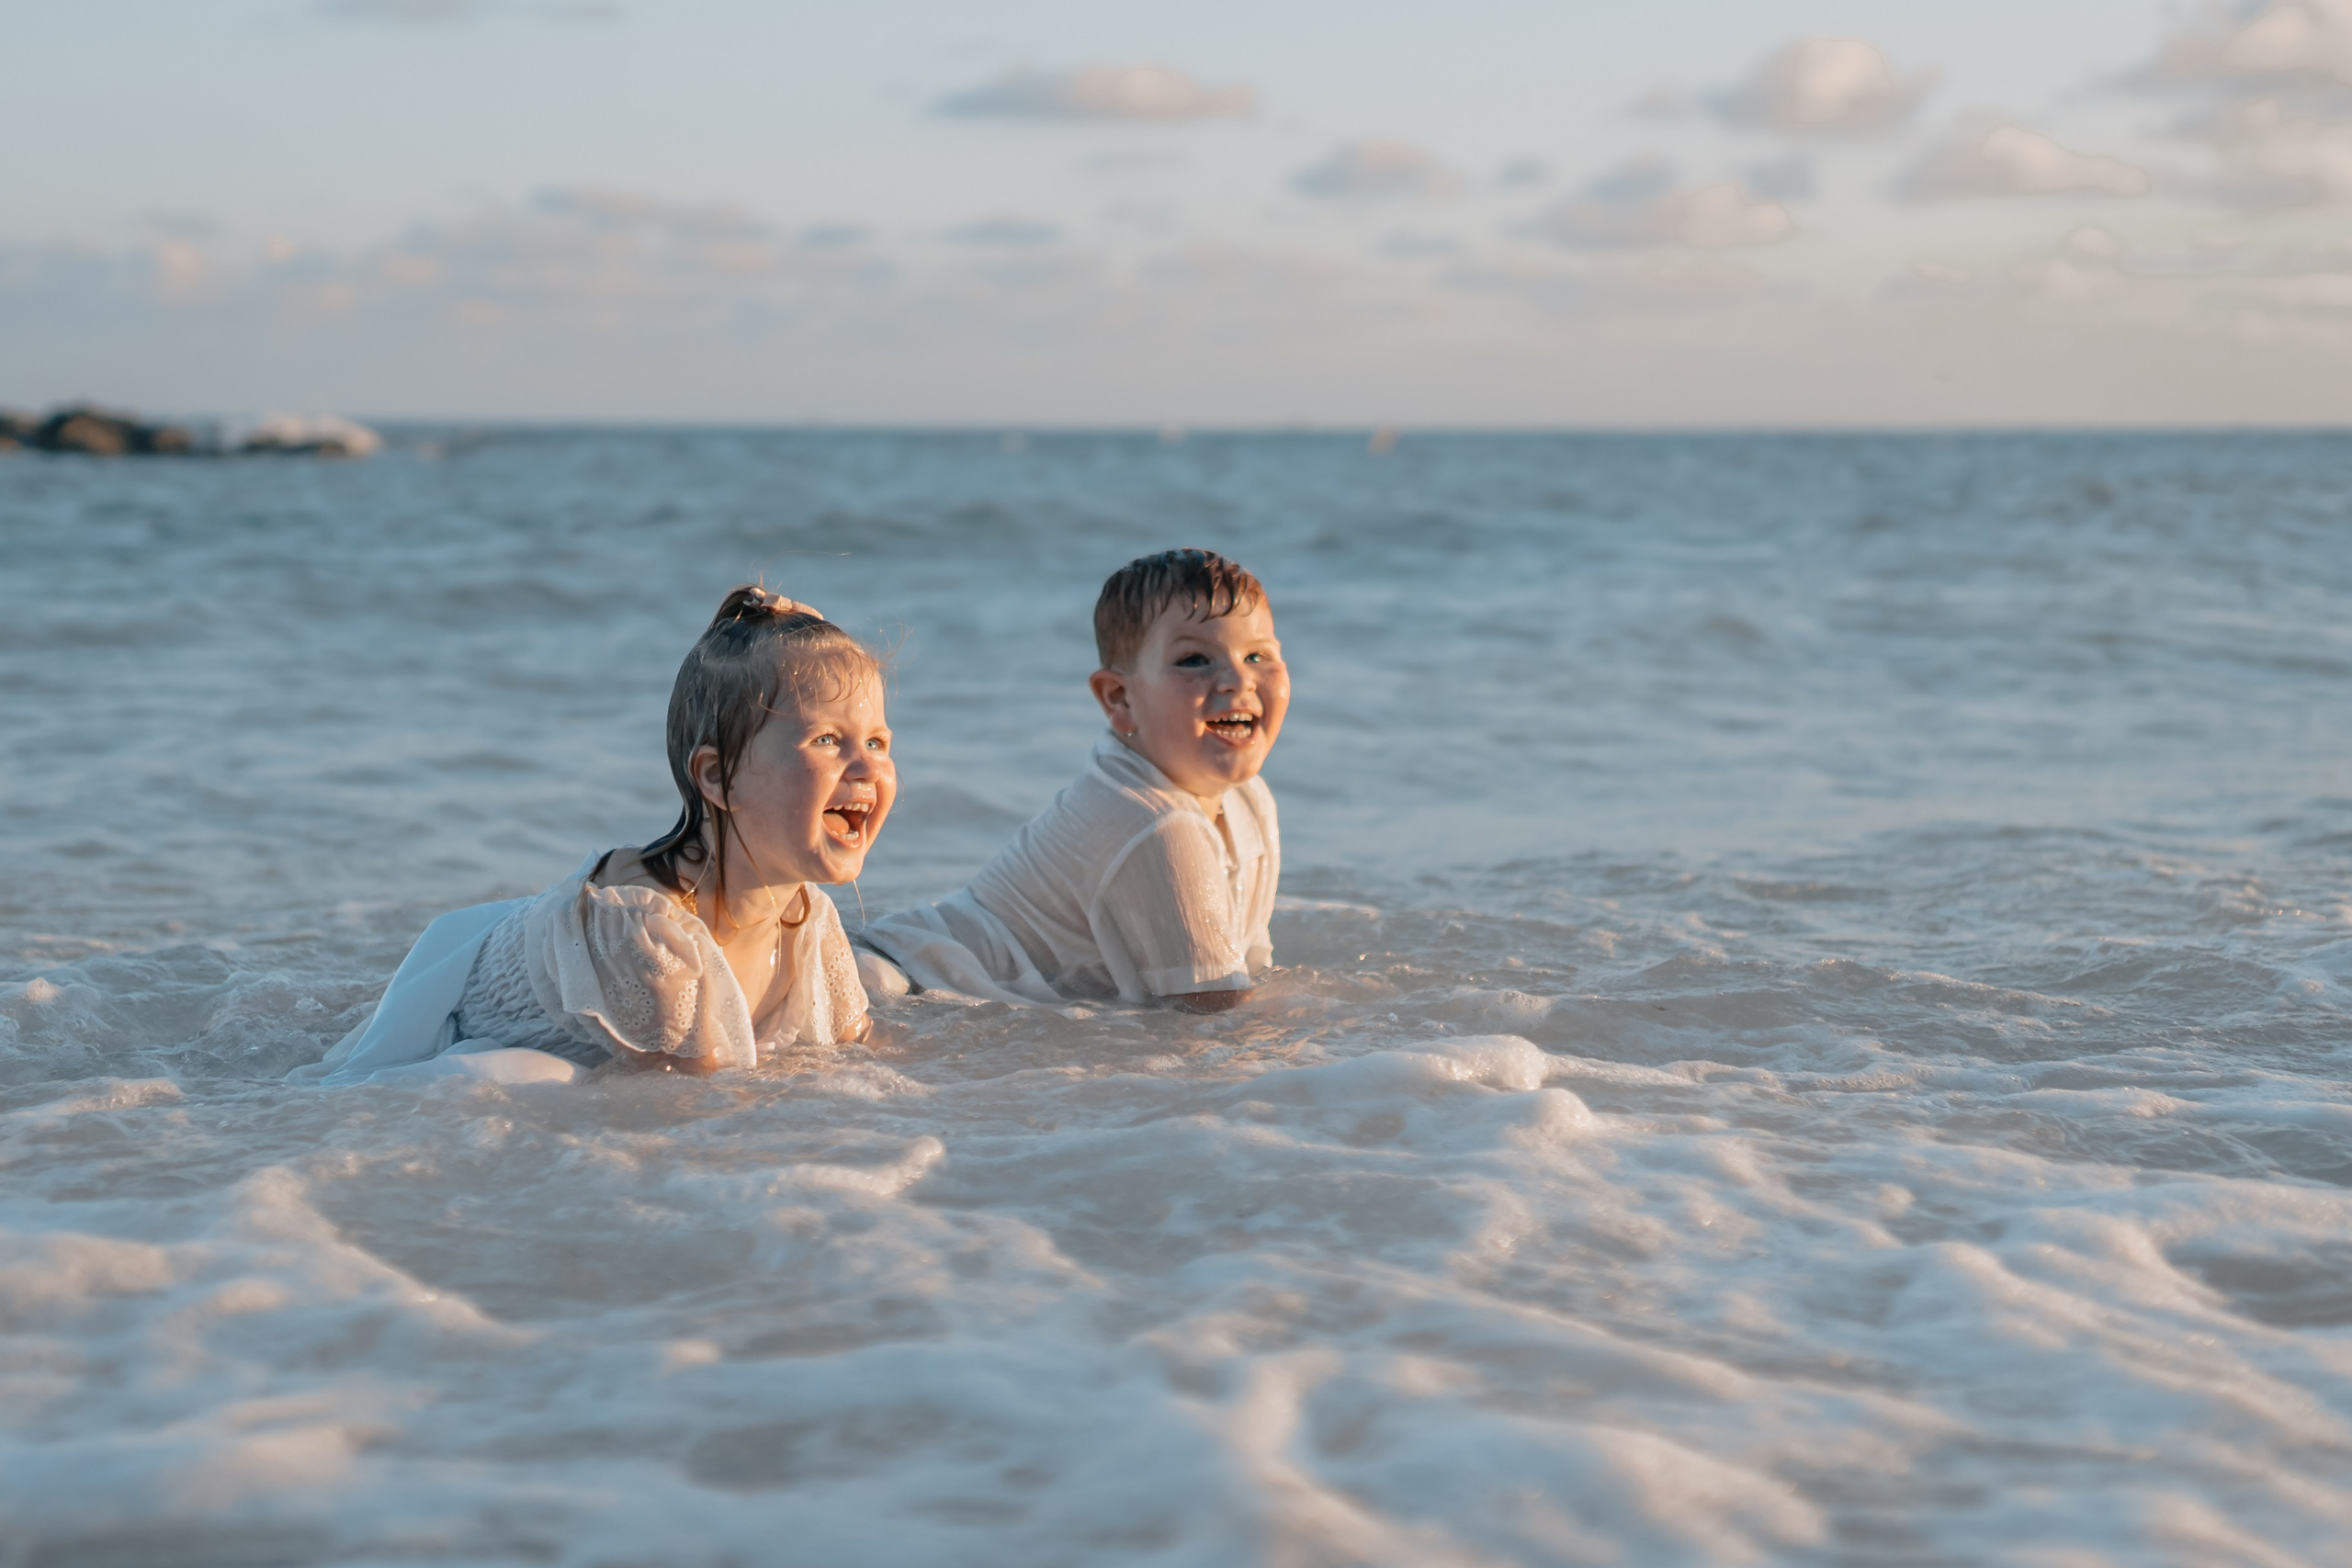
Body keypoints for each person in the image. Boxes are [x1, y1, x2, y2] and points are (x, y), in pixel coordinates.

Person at [293, 587, 892, 1087]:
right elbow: (703, 1117)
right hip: (460, 1011)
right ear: (718, 776)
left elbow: (861, 1053)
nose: (865, 767)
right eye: (826, 741)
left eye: (876, 742)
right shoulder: (646, 937)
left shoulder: (809, 921)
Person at [859, 548, 1284, 1012]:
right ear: (1119, 698)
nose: (1237, 680)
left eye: (1258, 655)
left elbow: (1236, 972)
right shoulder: (1156, 824)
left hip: (921, 977)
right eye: (1195, 660)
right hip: (892, 987)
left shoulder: (1248, 800)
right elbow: (1217, 1020)